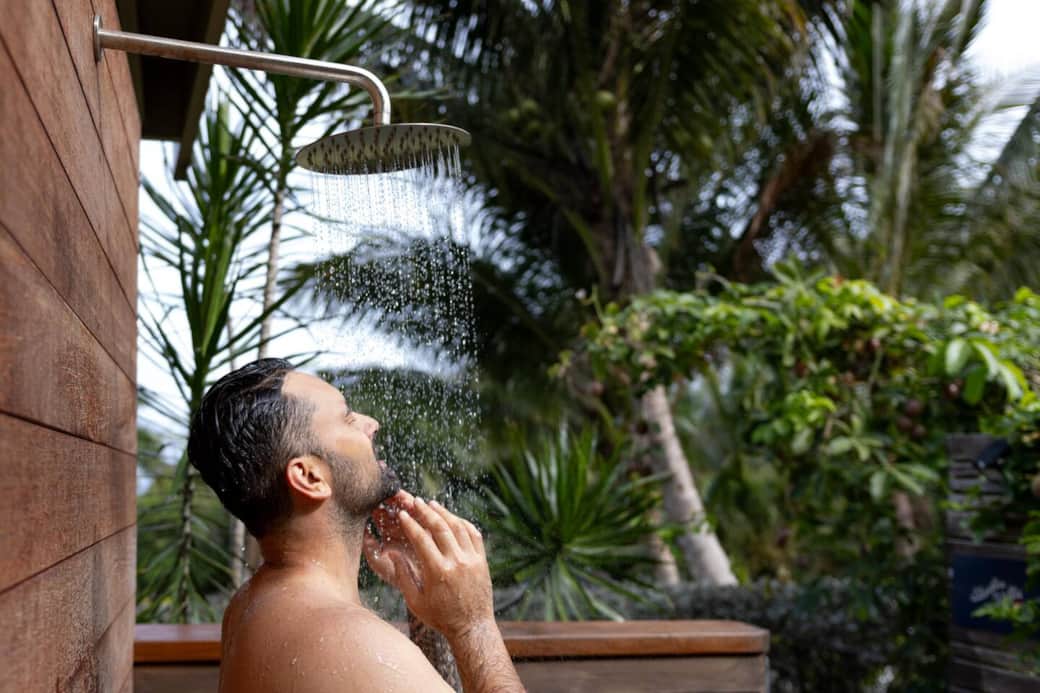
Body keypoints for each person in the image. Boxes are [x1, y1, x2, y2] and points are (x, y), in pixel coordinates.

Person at [187, 358, 525, 692]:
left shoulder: (251, 605)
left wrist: (421, 597)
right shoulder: (352, 643)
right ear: (310, 476)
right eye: (348, 419)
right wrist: (474, 627)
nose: (371, 423)